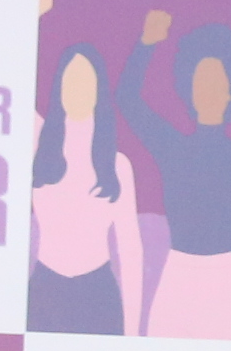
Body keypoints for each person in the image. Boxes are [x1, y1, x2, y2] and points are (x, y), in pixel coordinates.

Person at [119, 11, 231, 337]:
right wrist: (146, 43)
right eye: (201, 81)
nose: (208, 89)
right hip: (178, 282)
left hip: (229, 288)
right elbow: (128, 100)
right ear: (187, 88)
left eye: (217, 82)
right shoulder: (172, 149)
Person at [29, 38, 148, 335]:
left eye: (86, 81)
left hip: (98, 296)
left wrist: (132, 333)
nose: (78, 90)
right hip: (45, 293)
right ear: (58, 87)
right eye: (71, 80)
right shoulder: (37, 146)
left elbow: (131, 250)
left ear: (99, 91)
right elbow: (11, 91)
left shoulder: (118, 165)